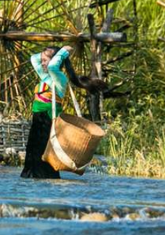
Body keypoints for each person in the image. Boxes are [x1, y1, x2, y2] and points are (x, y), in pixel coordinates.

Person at [20, 45, 107, 179]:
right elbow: (33, 59)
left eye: (45, 60)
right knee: (33, 149)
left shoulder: (59, 77)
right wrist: (47, 53)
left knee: (45, 150)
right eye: (42, 60)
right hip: (38, 118)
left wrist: (63, 52)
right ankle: (30, 175)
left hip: (50, 119)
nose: (42, 63)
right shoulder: (44, 76)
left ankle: (45, 177)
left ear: (56, 61)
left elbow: (52, 66)